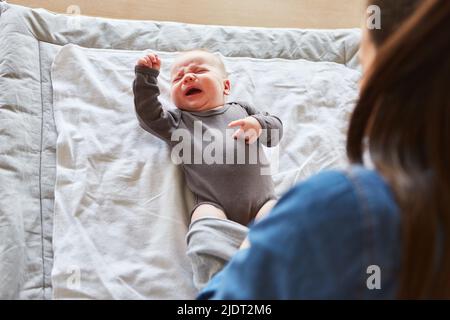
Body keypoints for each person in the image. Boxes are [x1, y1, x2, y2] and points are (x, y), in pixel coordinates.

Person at [190, 0, 450, 299]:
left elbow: (273, 126)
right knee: (206, 220)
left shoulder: (345, 206)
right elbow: (154, 117)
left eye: (363, 66)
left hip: (262, 218)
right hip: (220, 206)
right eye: (177, 76)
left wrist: (250, 249)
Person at [133, 50, 282, 226]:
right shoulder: (177, 122)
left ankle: (257, 249)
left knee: (279, 216)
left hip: (263, 203)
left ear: (225, 86)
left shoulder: (242, 109)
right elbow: (148, 115)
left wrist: (259, 124)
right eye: (178, 78)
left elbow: (275, 133)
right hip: (213, 205)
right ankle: (219, 251)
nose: (187, 77)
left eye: (200, 71)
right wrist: (146, 76)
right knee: (203, 221)